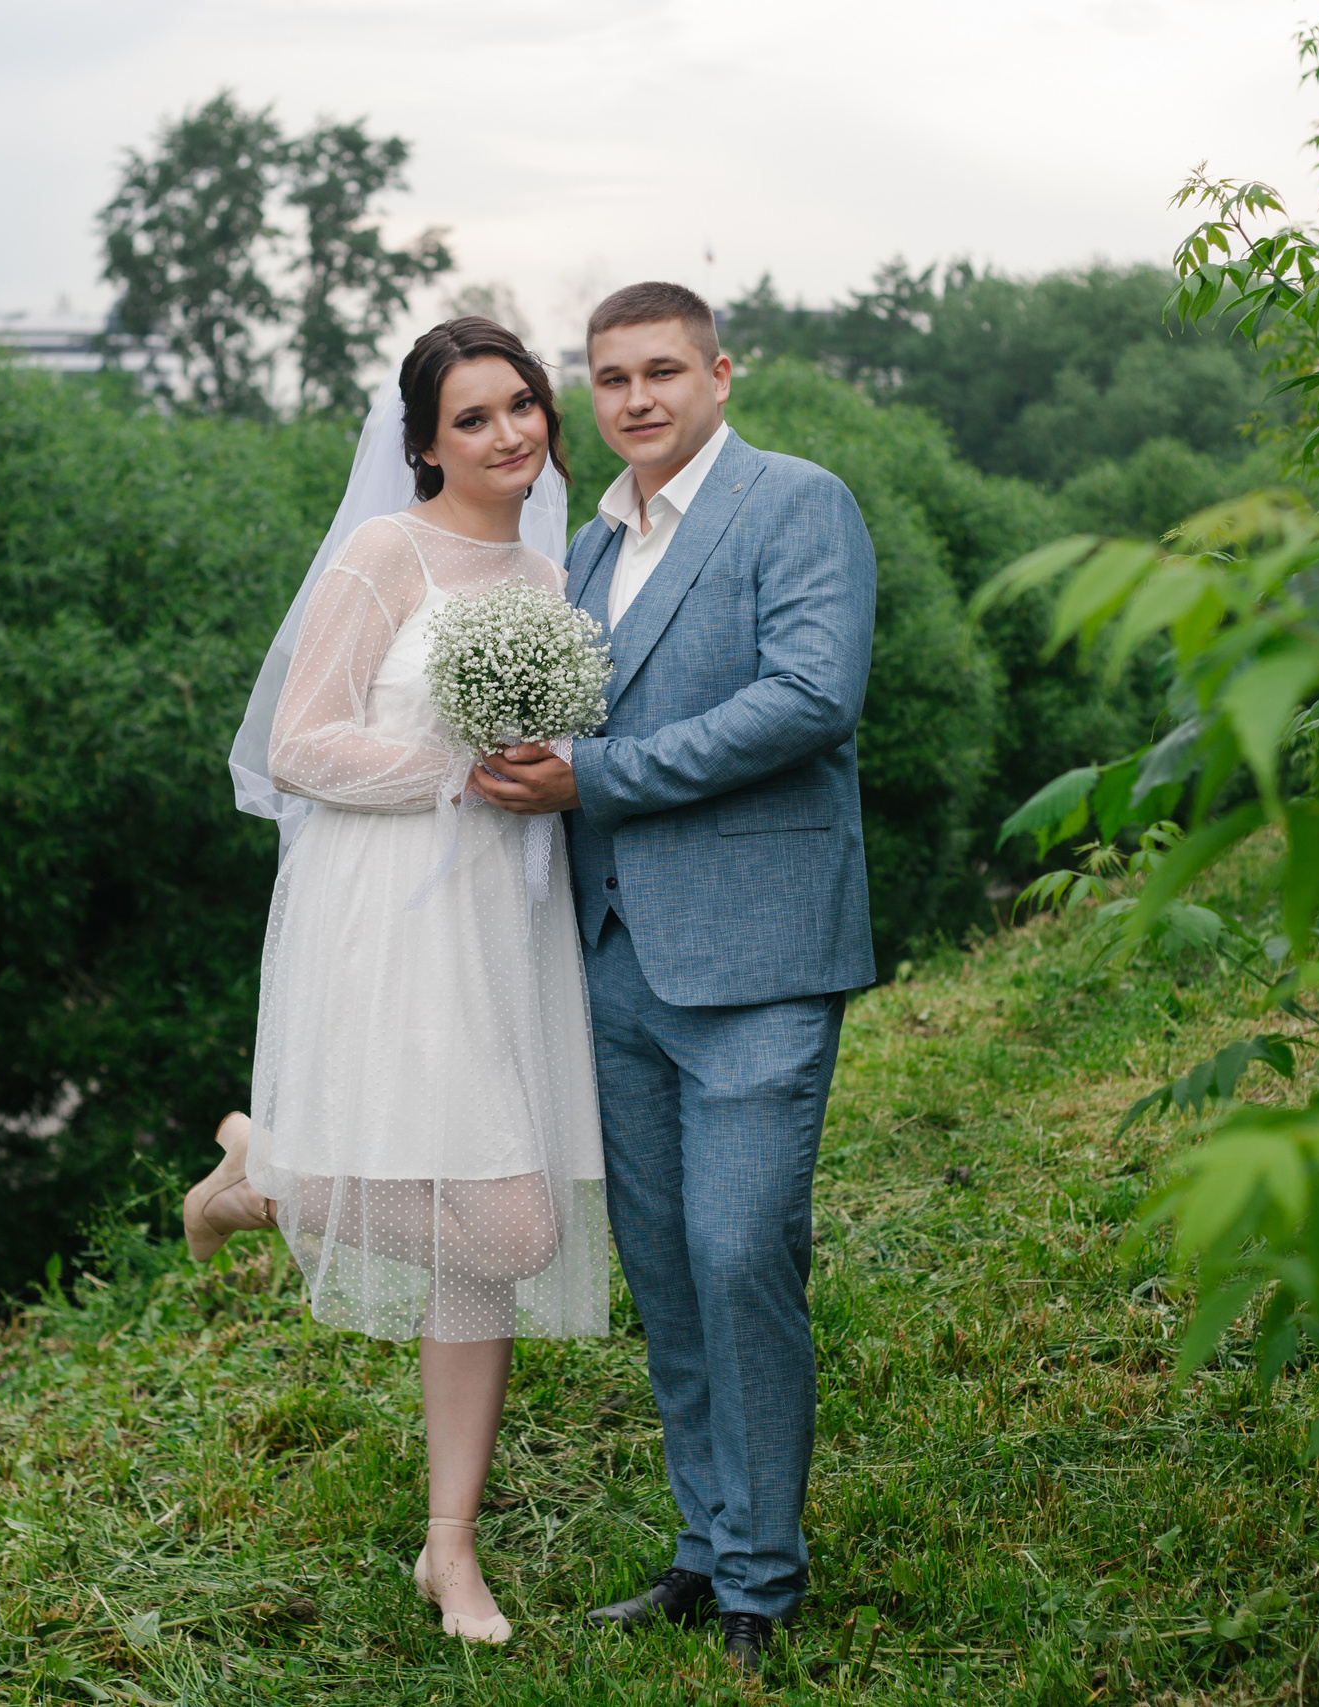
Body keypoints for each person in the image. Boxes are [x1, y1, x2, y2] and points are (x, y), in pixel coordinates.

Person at [181, 317, 608, 1649]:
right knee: (514, 1229)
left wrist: (539, 778)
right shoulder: (385, 554)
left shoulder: (554, 572)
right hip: (393, 913)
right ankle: (278, 1180)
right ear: (424, 442)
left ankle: (451, 1552)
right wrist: (457, 770)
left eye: (524, 405)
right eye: (472, 418)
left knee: (482, 1245)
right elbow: (299, 746)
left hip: (505, 921)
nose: (509, 434)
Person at [472, 282, 876, 1678]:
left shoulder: (796, 503)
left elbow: (811, 697)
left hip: (762, 948)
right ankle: (707, 1550)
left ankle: (768, 1574)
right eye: (610, 379)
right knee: (667, 1269)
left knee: (739, 1251)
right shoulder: (587, 548)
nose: (635, 399)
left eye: (661, 372)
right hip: (615, 956)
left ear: (718, 373)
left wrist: (597, 778)